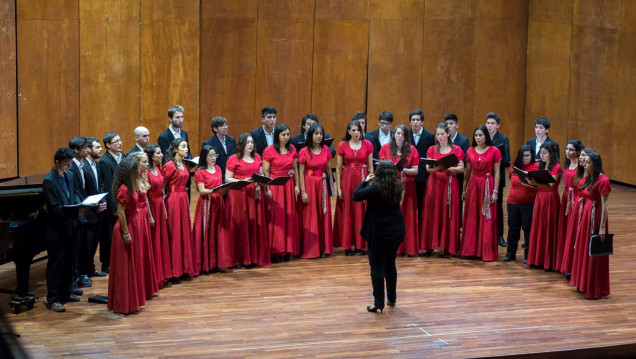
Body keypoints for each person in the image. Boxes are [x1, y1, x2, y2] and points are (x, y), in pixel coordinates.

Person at [353, 160, 405, 314]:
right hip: (395, 231)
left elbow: (356, 195)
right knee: (390, 264)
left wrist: (365, 181)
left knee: (376, 266)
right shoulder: (397, 185)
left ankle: (378, 303)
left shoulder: (376, 187)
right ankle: (392, 298)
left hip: (378, 232)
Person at [42, 148, 88, 312]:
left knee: (69, 262)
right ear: (57, 162)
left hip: (71, 226)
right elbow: (54, 208)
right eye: (66, 164)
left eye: (70, 164)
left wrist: (80, 204)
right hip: (57, 230)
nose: (69, 167)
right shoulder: (49, 181)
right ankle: (53, 298)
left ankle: (66, 292)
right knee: (56, 265)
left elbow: (74, 193)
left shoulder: (69, 175)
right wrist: (76, 211)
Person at [107, 153, 150, 314]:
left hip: (133, 224)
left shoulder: (131, 185)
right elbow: (121, 213)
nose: (137, 171)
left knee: (132, 263)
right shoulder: (124, 189)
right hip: (125, 228)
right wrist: (126, 233)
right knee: (125, 266)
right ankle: (123, 302)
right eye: (134, 170)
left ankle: (133, 299)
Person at [569, 150, 611, 299]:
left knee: (593, 250)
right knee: (582, 248)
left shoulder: (603, 180)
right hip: (585, 215)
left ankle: (593, 286)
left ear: (595, 165)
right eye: (584, 163)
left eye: (587, 163)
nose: (584, 165)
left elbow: (605, 205)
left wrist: (601, 227)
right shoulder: (589, 177)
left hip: (595, 216)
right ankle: (583, 282)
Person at [225, 134, 270, 267]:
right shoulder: (233, 159)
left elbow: (261, 174)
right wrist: (243, 181)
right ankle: (239, 258)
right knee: (241, 224)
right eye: (247, 142)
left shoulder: (257, 157)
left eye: (252, 142)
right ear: (242, 144)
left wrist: (265, 183)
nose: (250, 144)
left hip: (254, 194)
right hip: (239, 194)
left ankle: (253, 257)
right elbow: (228, 178)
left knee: (254, 224)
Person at [420, 123, 464, 257]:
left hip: (449, 184)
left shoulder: (456, 149)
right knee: (431, 213)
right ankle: (429, 247)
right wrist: (438, 169)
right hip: (434, 184)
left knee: (448, 214)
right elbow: (428, 169)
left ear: (448, 134)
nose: (440, 137)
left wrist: (447, 168)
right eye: (438, 134)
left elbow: (461, 168)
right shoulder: (432, 149)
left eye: (442, 134)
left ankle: (447, 248)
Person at [460, 125, 501, 261]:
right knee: (472, 216)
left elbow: (497, 172)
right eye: (476, 135)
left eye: (481, 135)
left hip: (487, 184)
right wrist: (464, 189)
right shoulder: (470, 151)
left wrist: (495, 191)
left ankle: (485, 252)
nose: (478, 138)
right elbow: (467, 172)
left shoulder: (494, 151)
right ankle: (470, 250)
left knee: (486, 217)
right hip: (473, 185)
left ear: (486, 136)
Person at [334, 120, 374, 255]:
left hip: (362, 178)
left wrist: (370, 186)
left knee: (360, 212)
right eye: (353, 130)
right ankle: (347, 246)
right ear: (349, 132)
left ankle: (359, 245)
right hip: (347, 179)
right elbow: (338, 168)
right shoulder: (342, 145)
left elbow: (370, 167)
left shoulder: (368, 144)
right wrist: (338, 187)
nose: (356, 133)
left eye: (358, 130)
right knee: (347, 210)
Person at [379, 124, 419, 256]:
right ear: (394, 134)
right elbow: (381, 166)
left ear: (406, 137)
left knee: (406, 217)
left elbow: (415, 170)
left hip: (407, 187)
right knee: (390, 217)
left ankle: (407, 248)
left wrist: (404, 170)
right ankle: (389, 247)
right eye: (398, 133)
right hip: (390, 186)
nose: (400, 136)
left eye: (402, 134)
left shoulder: (412, 149)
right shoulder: (385, 148)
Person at [192, 146, 233, 272]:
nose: (213, 158)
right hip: (207, 203)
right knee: (206, 231)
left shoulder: (218, 169)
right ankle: (205, 263)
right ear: (204, 157)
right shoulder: (200, 172)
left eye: (215, 155)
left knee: (218, 231)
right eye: (210, 155)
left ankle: (216, 261)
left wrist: (223, 189)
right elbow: (202, 190)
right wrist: (214, 191)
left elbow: (220, 185)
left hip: (218, 202)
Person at [263, 124, 300, 261]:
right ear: (277, 136)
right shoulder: (269, 150)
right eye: (283, 135)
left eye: (288, 135)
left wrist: (297, 185)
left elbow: (294, 169)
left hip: (288, 185)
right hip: (275, 186)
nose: (286, 137)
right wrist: (267, 188)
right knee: (276, 218)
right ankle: (276, 250)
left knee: (288, 216)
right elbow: (266, 171)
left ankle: (287, 249)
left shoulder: (292, 149)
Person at [162, 138, 197, 278]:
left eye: (186, 146)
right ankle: (174, 270)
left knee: (183, 231)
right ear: (175, 149)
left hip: (183, 198)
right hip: (173, 199)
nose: (186, 149)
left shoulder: (183, 164)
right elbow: (162, 185)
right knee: (174, 232)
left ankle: (184, 267)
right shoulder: (170, 165)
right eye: (183, 146)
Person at [298, 124, 334, 259]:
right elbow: (301, 173)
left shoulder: (326, 149)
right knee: (311, 216)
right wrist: (303, 191)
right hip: (309, 185)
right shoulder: (303, 151)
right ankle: (311, 249)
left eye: (321, 133)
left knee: (323, 214)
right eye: (316, 133)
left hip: (323, 185)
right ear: (310, 135)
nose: (319, 136)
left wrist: (331, 186)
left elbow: (329, 169)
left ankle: (324, 248)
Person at [526, 141, 562, 270]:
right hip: (540, 198)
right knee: (538, 226)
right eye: (541, 153)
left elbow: (550, 185)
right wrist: (529, 182)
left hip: (550, 198)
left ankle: (548, 261)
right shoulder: (539, 166)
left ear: (551, 154)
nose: (542, 155)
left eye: (545, 153)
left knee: (548, 227)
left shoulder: (557, 167)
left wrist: (534, 182)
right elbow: (538, 184)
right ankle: (537, 259)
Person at [503, 145, 538, 262]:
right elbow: (511, 179)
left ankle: (527, 255)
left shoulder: (537, 167)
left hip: (529, 203)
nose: (525, 158)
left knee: (527, 229)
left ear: (532, 156)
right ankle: (510, 253)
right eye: (523, 155)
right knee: (513, 229)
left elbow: (540, 185)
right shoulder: (513, 167)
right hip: (512, 203)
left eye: (528, 155)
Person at [560, 147, 591, 278]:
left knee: (577, 236)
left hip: (579, 203)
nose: (581, 159)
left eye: (583, 156)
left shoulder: (588, 174)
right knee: (571, 234)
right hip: (573, 200)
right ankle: (569, 266)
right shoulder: (577, 169)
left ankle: (576, 269)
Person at [144, 144, 172, 284]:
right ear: (151, 156)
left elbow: (162, 191)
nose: (161, 155)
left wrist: (165, 209)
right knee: (154, 239)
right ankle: (154, 277)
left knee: (161, 238)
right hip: (152, 206)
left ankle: (162, 274)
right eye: (158, 153)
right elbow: (145, 196)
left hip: (160, 205)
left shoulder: (157, 169)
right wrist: (149, 215)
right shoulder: (146, 172)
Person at [555, 140, 584, 273]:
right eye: (567, 149)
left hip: (575, 200)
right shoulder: (568, 164)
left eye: (571, 150)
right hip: (566, 198)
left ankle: (572, 266)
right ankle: (564, 263)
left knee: (573, 231)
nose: (568, 152)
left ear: (577, 152)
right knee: (565, 230)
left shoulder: (581, 167)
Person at [82, 137, 108, 278]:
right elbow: (83, 191)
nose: (100, 149)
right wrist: (95, 206)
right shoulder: (83, 166)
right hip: (90, 211)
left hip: (99, 210)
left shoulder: (97, 165)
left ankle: (91, 268)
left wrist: (103, 201)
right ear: (88, 150)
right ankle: (84, 271)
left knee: (94, 243)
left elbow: (101, 186)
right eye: (97, 147)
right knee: (87, 244)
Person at [99, 133, 124, 274]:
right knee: (108, 235)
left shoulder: (123, 156)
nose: (120, 143)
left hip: (124, 200)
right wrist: (114, 207)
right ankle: (106, 263)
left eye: (120, 140)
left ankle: (118, 259)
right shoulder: (105, 161)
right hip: (113, 204)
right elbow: (108, 186)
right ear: (108, 145)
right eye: (116, 141)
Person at [68, 137, 91, 291]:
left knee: (80, 246)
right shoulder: (71, 167)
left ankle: (79, 274)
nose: (87, 149)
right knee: (74, 248)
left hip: (82, 211)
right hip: (76, 212)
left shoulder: (82, 164)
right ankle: (73, 278)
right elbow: (74, 190)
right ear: (76, 150)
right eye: (84, 147)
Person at [485, 112, 510, 247]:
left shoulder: (503, 139)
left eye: (492, 123)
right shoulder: (482, 137)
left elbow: (506, 160)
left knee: (498, 207)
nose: (489, 126)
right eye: (488, 123)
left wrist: (494, 157)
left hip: (497, 177)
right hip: (483, 177)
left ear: (498, 125)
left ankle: (499, 235)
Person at [408, 110, 435, 217]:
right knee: (410, 206)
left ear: (422, 122)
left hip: (423, 176)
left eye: (418, 120)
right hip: (409, 175)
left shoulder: (429, 136)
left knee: (422, 206)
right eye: (413, 120)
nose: (415, 122)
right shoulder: (406, 135)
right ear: (410, 122)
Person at [445, 114, 470, 222]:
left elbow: (464, 160)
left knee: (457, 202)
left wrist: (447, 163)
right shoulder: (441, 138)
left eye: (451, 123)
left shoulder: (464, 141)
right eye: (447, 124)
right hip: (444, 176)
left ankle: (458, 224)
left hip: (457, 177)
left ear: (457, 125)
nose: (449, 126)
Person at [201, 117, 236, 183]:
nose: (225, 127)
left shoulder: (232, 140)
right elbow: (206, 163)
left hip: (231, 176)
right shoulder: (208, 143)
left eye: (226, 125)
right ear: (215, 129)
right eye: (222, 125)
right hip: (217, 177)